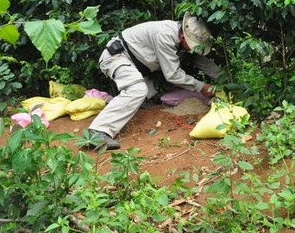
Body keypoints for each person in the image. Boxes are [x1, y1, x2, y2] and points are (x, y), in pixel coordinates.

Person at [87, 12, 221, 150]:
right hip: (117, 57)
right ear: (183, 36)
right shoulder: (165, 35)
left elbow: (204, 63)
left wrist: (225, 81)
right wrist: (202, 86)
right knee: (137, 90)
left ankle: (130, 104)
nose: (195, 49)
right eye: (193, 45)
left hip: (139, 66)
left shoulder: (181, 40)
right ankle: (98, 131)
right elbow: (173, 75)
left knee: (147, 94)